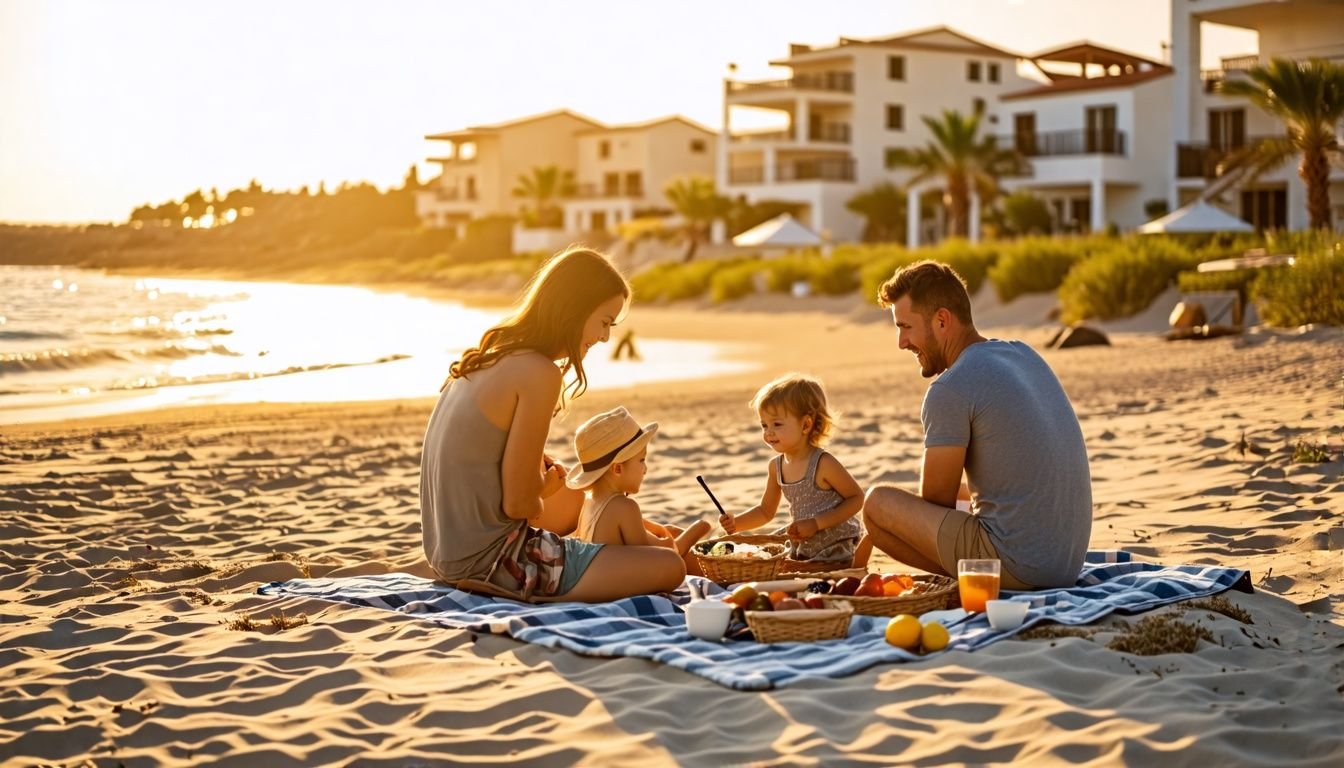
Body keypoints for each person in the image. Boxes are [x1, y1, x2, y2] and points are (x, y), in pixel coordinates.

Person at [420, 246, 685, 602]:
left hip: (444, 554)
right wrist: (542, 489)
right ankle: (550, 594)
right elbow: (520, 506)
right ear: (575, 310)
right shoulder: (540, 373)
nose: (605, 337)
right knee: (670, 566)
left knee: (580, 499)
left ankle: (614, 553)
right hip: (492, 561)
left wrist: (543, 485)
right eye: (605, 322)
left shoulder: (489, 359)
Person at [862, 260, 1092, 589]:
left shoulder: (950, 388)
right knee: (966, 496)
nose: (901, 342)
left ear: (942, 320)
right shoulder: (1023, 354)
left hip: (1019, 567)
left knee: (876, 508)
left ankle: (973, 579)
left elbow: (936, 501)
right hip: (1066, 564)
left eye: (906, 327)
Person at [719, 374, 868, 567]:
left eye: (777, 424)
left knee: (792, 568)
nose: (768, 432)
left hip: (834, 541)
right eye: (764, 425)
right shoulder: (776, 467)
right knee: (764, 555)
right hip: (804, 540)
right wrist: (737, 523)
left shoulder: (823, 463)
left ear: (806, 424)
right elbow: (765, 511)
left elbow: (856, 498)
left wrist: (816, 523)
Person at [566, 406, 711, 572]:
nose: (645, 469)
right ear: (618, 469)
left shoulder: (590, 502)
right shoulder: (625, 507)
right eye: (641, 460)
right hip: (620, 583)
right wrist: (698, 528)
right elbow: (660, 555)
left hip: (598, 577)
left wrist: (663, 531)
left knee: (671, 531)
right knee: (674, 562)